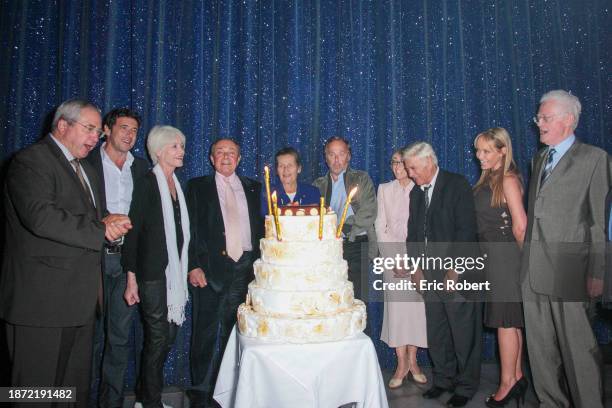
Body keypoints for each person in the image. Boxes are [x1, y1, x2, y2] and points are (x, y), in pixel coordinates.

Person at [0, 99, 131, 408]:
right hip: (41, 305)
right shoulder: (31, 161)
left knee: (71, 393)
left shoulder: (85, 168)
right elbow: (42, 218)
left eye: (98, 132)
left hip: (80, 303)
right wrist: (102, 229)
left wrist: (110, 219)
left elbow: (87, 216)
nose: (95, 137)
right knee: (34, 395)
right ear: (62, 125)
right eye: (89, 129)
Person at [522, 90, 610, 407]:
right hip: (533, 273)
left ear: (568, 120)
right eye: (539, 118)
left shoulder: (595, 159)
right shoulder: (538, 159)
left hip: (572, 272)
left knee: (578, 351)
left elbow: (599, 223)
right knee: (541, 353)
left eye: (545, 118)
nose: (539, 124)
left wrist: (598, 273)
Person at [186, 138, 263, 408]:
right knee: (204, 335)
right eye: (220, 152)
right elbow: (190, 230)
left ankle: (235, 393)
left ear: (240, 159)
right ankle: (201, 396)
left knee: (240, 336)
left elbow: (260, 229)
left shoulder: (254, 187)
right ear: (211, 158)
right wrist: (193, 265)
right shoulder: (197, 187)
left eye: (232, 153)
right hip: (208, 272)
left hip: (245, 271)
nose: (226, 157)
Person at [404, 141, 482, 408]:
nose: (410, 173)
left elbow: (466, 230)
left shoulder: (456, 184)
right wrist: (415, 268)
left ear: (428, 162)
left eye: (413, 168)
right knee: (437, 331)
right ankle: (443, 380)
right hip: (428, 274)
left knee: (463, 332)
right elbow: (412, 235)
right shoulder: (416, 193)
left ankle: (467, 385)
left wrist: (455, 269)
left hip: (455, 273)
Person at [122, 126, 190, 408]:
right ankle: (149, 401)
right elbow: (133, 233)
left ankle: (144, 392)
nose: (181, 151)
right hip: (150, 274)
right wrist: (131, 278)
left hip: (172, 275)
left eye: (182, 146)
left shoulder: (176, 185)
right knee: (158, 337)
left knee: (168, 336)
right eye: (175, 147)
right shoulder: (148, 182)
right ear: (159, 151)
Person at [87, 107, 149, 408]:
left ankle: (109, 403)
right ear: (107, 131)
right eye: (123, 128)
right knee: (88, 338)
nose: (129, 134)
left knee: (119, 339)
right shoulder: (85, 162)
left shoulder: (141, 168)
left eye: (134, 130)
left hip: (127, 262)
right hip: (91, 259)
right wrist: (103, 220)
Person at [473, 128, 527, 407]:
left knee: (505, 324)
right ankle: (516, 376)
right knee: (512, 321)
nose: (479, 156)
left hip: (506, 258)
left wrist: (527, 264)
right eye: (478, 150)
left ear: (502, 151)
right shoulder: (491, 178)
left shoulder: (506, 179)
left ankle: (507, 384)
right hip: (495, 257)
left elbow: (520, 226)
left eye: (486, 151)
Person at [375, 148, 427, 389]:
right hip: (392, 260)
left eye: (400, 163)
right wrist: (393, 259)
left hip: (416, 260)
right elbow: (380, 227)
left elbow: (425, 229)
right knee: (397, 312)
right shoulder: (384, 189)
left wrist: (413, 261)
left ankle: (414, 362)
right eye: (393, 163)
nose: (396, 168)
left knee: (417, 311)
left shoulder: (421, 190)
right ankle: (400, 363)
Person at [313, 136, 377, 303]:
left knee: (357, 300)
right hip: (328, 249)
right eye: (331, 154)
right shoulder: (317, 185)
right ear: (325, 157)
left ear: (348, 156)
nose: (336, 160)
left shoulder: (361, 178)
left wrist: (344, 228)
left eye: (341, 154)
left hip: (355, 244)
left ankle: (363, 330)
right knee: (331, 300)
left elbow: (369, 211)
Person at [259, 146, 320, 216]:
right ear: (276, 170)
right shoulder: (268, 194)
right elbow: (266, 221)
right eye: (281, 166)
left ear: (299, 168)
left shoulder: (312, 192)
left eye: (290, 165)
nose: (285, 170)